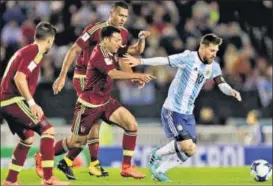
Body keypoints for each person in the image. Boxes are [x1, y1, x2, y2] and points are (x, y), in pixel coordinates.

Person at [35, 1, 150, 180]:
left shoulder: (123, 34)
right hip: (85, 79)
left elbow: (123, 57)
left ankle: (89, 163)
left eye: (126, 17)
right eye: (120, 15)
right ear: (111, 13)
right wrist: (62, 75)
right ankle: (81, 161)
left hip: (103, 85)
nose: (123, 19)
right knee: (89, 128)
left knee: (120, 124)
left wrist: (133, 75)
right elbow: (74, 50)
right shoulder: (95, 29)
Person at [123, 33, 242, 182]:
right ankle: (158, 155)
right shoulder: (188, 58)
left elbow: (221, 84)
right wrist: (140, 61)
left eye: (216, 51)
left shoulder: (214, 66)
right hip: (173, 110)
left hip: (188, 113)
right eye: (212, 50)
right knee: (186, 145)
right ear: (203, 47)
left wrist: (231, 91)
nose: (214, 54)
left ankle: (159, 170)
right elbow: (164, 60)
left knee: (190, 150)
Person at [0, 22, 69, 185]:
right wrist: (31, 103)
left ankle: (10, 181)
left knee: (28, 138)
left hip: (5, 102)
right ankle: (48, 178)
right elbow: (19, 77)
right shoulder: (35, 52)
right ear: (50, 41)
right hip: (12, 100)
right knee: (48, 130)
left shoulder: (26, 51)